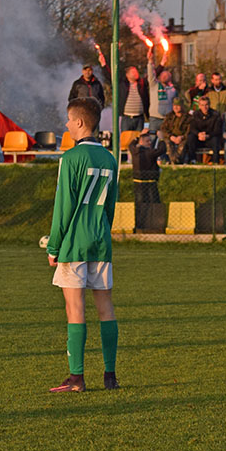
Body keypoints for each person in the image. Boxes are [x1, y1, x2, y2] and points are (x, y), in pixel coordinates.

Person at [46, 97, 119, 393]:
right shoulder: (110, 159)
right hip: (101, 242)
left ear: (79, 122)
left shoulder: (71, 158)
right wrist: (102, 231)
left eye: (68, 120)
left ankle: (76, 377)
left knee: (75, 309)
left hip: (75, 243)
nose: (66, 125)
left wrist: (53, 246)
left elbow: (63, 208)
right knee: (106, 307)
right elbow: (111, 207)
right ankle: (110, 375)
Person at [128, 128, 165, 231]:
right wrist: (161, 139)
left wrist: (139, 135)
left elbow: (130, 144)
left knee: (140, 204)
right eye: (148, 141)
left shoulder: (134, 151)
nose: (150, 143)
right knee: (154, 203)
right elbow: (162, 150)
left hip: (138, 183)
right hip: (150, 183)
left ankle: (140, 225)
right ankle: (155, 224)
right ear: (142, 143)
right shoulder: (150, 152)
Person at [101, 54, 150, 131]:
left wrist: (161, 63)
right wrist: (103, 64)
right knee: (126, 140)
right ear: (127, 75)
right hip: (126, 118)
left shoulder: (142, 83)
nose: (136, 73)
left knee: (138, 139)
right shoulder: (122, 84)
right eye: (133, 72)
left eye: (136, 71)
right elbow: (110, 76)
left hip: (139, 118)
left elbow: (153, 75)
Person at [187, 96, 222, 164]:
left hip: (210, 138)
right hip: (199, 138)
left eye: (206, 105)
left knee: (216, 140)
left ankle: (215, 162)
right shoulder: (195, 114)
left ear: (209, 105)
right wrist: (198, 134)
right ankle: (192, 160)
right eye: (202, 105)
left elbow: (217, 130)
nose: (204, 107)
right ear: (199, 106)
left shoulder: (215, 114)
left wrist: (207, 135)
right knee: (190, 137)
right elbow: (192, 128)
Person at [147, 48, 173, 134]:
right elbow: (151, 74)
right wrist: (150, 62)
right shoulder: (154, 85)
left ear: (170, 78)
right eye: (162, 75)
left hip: (167, 119)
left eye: (166, 76)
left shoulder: (173, 90)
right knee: (152, 139)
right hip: (155, 118)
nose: (164, 77)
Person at [160, 96, 191, 164]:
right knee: (168, 143)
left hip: (182, 138)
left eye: (178, 105)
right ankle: (174, 161)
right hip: (171, 137)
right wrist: (171, 137)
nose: (176, 107)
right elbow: (163, 129)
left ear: (182, 106)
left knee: (184, 144)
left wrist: (182, 137)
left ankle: (175, 162)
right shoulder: (169, 116)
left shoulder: (188, 117)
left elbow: (189, 130)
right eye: (174, 105)